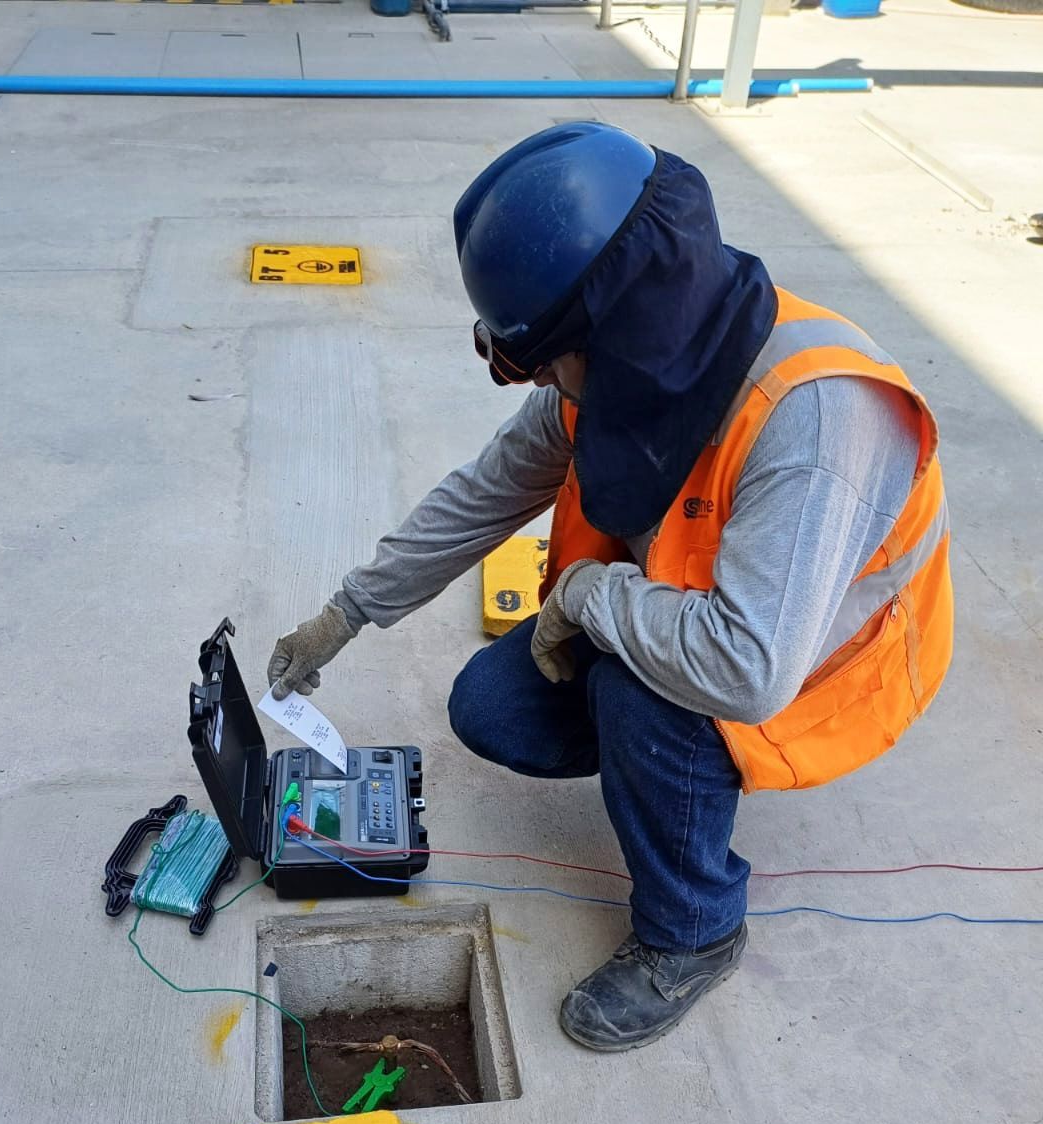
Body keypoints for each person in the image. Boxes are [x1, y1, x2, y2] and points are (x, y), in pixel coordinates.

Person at [266, 124, 953, 1053]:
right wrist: (346, 612)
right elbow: (486, 492)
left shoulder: (817, 420)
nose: (541, 382)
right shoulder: (631, 366)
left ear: (616, 326)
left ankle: (696, 930)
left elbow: (748, 667)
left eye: (546, 357)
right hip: (687, 611)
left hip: (809, 660)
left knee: (646, 692)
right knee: (494, 708)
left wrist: (589, 599)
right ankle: (660, 766)